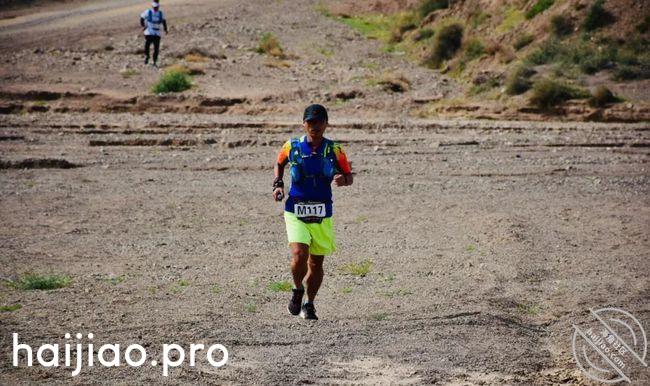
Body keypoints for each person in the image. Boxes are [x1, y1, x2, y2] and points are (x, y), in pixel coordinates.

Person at [272, 104, 354, 320]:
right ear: (303, 123)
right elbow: (279, 163)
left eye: (318, 122)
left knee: (316, 263)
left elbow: (349, 176)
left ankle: (310, 303)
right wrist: (278, 184)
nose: (314, 126)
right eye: (310, 122)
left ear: (326, 124)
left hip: (322, 212)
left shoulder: (335, 150)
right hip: (295, 209)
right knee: (299, 254)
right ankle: (297, 289)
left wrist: (342, 180)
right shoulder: (292, 146)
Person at [140, 2, 168, 67]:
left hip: (157, 33)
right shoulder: (148, 12)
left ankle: (154, 62)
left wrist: (165, 29)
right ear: (152, 7)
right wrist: (143, 26)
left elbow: (164, 21)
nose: (156, 9)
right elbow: (141, 18)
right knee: (147, 44)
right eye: (155, 7)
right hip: (149, 31)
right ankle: (147, 56)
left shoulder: (161, 13)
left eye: (157, 7)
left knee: (156, 48)